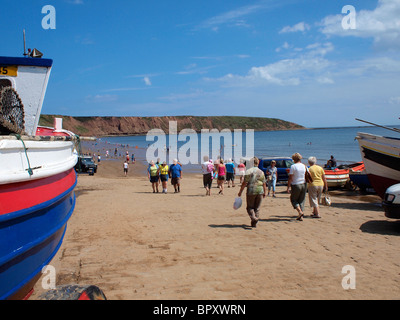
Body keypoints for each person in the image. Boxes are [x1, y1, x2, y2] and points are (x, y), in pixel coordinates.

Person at [237, 157, 267, 228]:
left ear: (251, 163)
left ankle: (254, 218)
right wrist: (265, 192)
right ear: (258, 163)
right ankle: (254, 223)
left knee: (250, 207)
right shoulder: (261, 172)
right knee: (257, 208)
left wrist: (240, 191)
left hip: (251, 190)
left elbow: (245, 182)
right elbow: (264, 183)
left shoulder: (248, 171)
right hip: (260, 190)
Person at [287, 153, 308, 221]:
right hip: (304, 184)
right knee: (302, 200)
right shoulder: (304, 166)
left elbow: (290, 177)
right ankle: (301, 215)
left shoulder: (293, 166)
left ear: (294, 159)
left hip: (296, 184)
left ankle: (300, 212)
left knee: (293, 199)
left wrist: (288, 187)